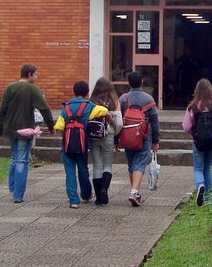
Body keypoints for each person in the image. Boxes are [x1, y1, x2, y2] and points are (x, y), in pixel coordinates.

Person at [0, 63, 54, 203]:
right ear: (29, 74)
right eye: (36, 74)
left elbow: (2, 110)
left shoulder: (10, 88)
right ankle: (18, 195)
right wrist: (51, 126)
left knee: (15, 158)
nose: (37, 77)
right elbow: (44, 109)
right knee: (22, 160)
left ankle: (13, 188)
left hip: (10, 129)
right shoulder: (32, 89)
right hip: (25, 129)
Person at [53, 80, 108, 208]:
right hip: (82, 145)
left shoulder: (66, 107)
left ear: (74, 92)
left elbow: (59, 127)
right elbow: (104, 111)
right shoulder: (89, 106)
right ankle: (86, 195)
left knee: (70, 172)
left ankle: (73, 200)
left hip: (67, 146)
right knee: (83, 170)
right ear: (87, 93)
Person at [182, 78, 212, 206]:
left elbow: (186, 127)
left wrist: (194, 132)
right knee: (207, 168)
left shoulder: (193, 107)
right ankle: (208, 198)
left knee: (198, 168)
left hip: (198, 141)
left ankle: (200, 185)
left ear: (196, 90)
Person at [119, 70, 159, 207]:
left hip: (127, 136)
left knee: (131, 164)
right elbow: (154, 122)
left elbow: (119, 121)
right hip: (144, 136)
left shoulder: (123, 99)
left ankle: (134, 191)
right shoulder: (149, 99)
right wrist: (156, 141)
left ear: (128, 82)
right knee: (140, 163)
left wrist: (116, 140)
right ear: (141, 82)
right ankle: (134, 191)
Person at [89, 77, 123, 205]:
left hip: (94, 136)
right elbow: (119, 123)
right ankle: (104, 189)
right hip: (108, 135)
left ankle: (98, 197)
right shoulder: (115, 101)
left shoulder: (92, 102)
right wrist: (115, 133)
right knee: (107, 165)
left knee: (97, 165)